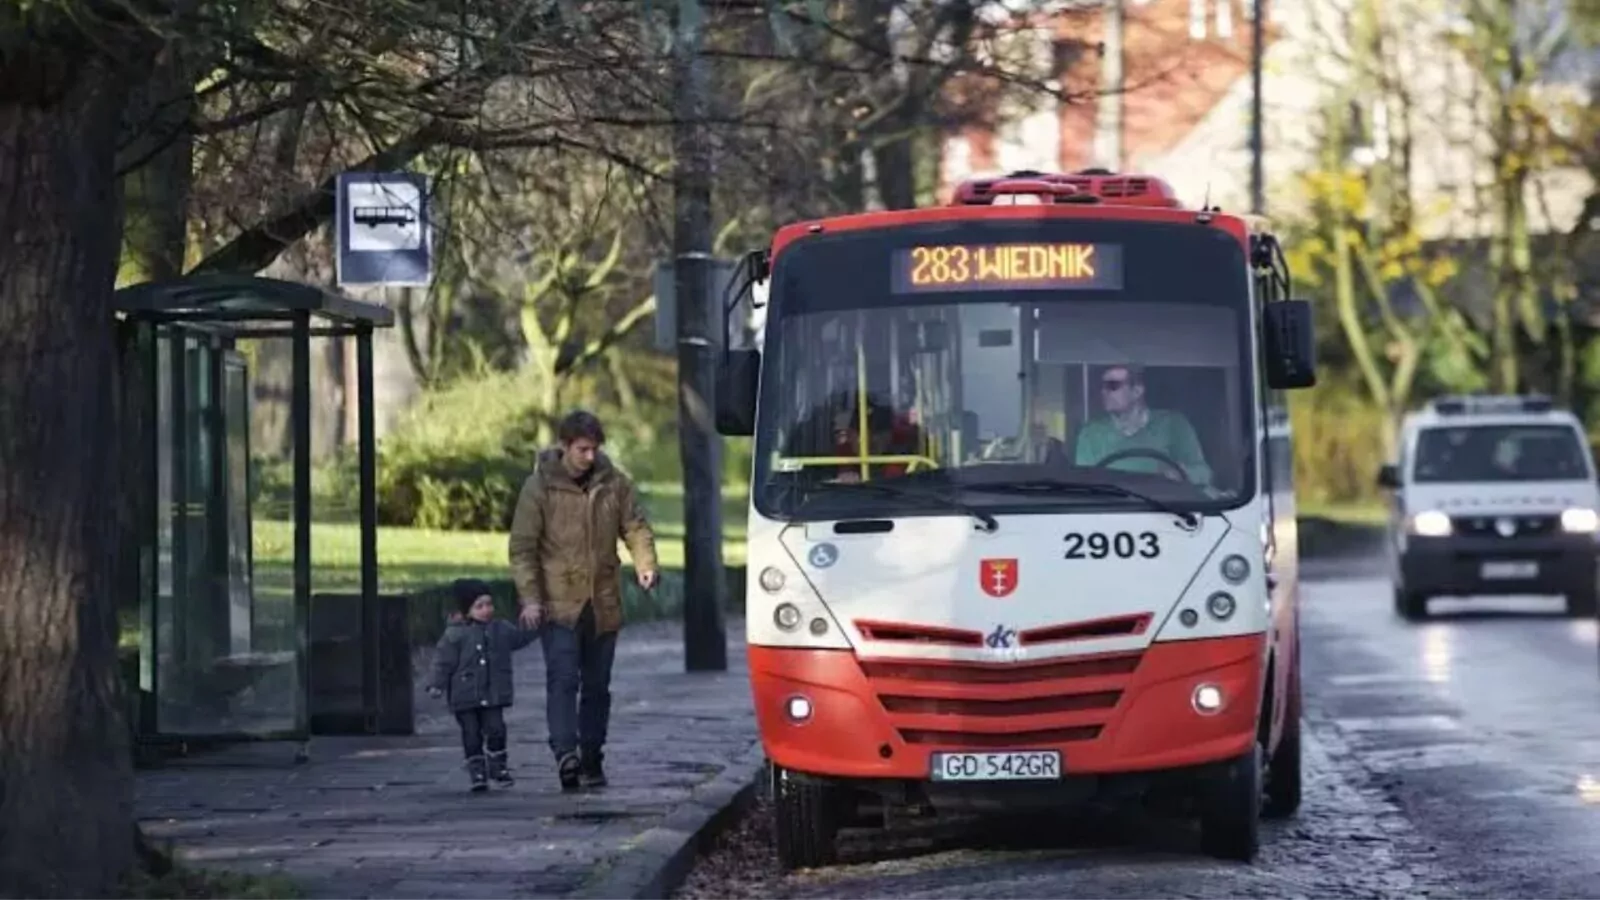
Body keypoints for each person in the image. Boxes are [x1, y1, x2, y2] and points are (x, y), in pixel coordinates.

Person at [509, 410, 658, 791]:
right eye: (582, 450)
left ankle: (592, 756)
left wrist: (645, 564)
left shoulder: (614, 484)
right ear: (564, 446)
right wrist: (531, 599)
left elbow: (635, 526)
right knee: (562, 680)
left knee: (597, 686)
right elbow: (523, 548)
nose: (590, 457)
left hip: (602, 602)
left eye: (594, 449)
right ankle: (565, 754)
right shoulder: (539, 487)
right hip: (557, 603)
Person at [427, 578, 540, 793]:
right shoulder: (455, 634)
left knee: (497, 729)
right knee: (471, 734)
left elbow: (520, 637)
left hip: (493, 693)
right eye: (479, 606)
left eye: (489, 604)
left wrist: (535, 623)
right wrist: (436, 684)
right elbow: (443, 661)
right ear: (466, 610)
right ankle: (477, 770)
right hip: (464, 695)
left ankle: (498, 766)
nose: (486, 610)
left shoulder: (501, 629)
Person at [1073, 363, 1212, 485]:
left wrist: (1180, 473)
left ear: (1137, 391)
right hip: (1111, 505)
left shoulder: (1173, 424)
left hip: (1164, 505)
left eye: (1113, 386)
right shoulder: (1090, 434)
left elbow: (1204, 474)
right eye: (1103, 386)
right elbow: (1085, 483)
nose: (1104, 392)